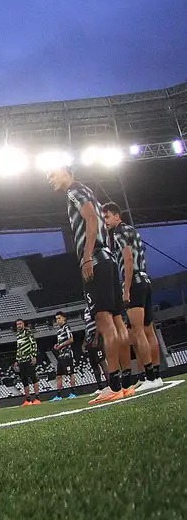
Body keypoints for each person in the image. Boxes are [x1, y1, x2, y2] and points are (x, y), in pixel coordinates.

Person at [46, 166, 131, 404]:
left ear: (65, 171)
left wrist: (86, 256)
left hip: (96, 261)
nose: (50, 179)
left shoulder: (74, 191)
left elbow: (92, 219)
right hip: (108, 260)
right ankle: (125, 381)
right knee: (116, 321)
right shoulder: (88, 192)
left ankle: (113, 384)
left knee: (105, 323)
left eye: (52, 174)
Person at [101, 202, 163, 390]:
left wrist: (126, 289)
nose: (105, 222)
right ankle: (155, 376)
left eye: (107, 217)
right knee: (148, 330)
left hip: (134, 281)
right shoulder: (132, 230)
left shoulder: (119, 232)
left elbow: (128, 260)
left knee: (137, 332)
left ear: (117, 216)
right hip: (145, 279)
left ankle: (150, 377)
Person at [51, 312, 77, 400]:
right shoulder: (58, 331)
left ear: (64, 318)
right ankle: (58, 395)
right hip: (61, 355)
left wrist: (61, 345)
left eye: (59, 318)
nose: (57, 320)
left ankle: (73, 392)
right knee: (58, 375)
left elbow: (71, 339)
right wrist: (57, 345)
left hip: (67, 354)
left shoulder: (67, 327)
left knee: (71, 373)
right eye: (56, 319)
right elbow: (60, 342)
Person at [14, 319, 41, 406]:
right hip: (21, 360)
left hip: (28, 358)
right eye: (17, 324)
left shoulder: (28, 332)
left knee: (33, 378)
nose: (18, 325)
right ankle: (28, 400)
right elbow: (19, 348)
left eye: (20, 324)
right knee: (24, 380)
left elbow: (34, 343)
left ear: (23, 324)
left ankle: (37, 398)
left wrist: (33, 355)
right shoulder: (18, 335)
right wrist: (17, 360)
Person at [82, 300, 106, 393]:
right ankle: (100, 387)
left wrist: (96, 338)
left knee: (102, 361)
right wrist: (84, 342)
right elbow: (87, 327)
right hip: (89, 340)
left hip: (97, 338)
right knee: (94, 364)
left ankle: (109, 384)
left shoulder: (94, 307)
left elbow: (98, 322)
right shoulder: (86, 310)